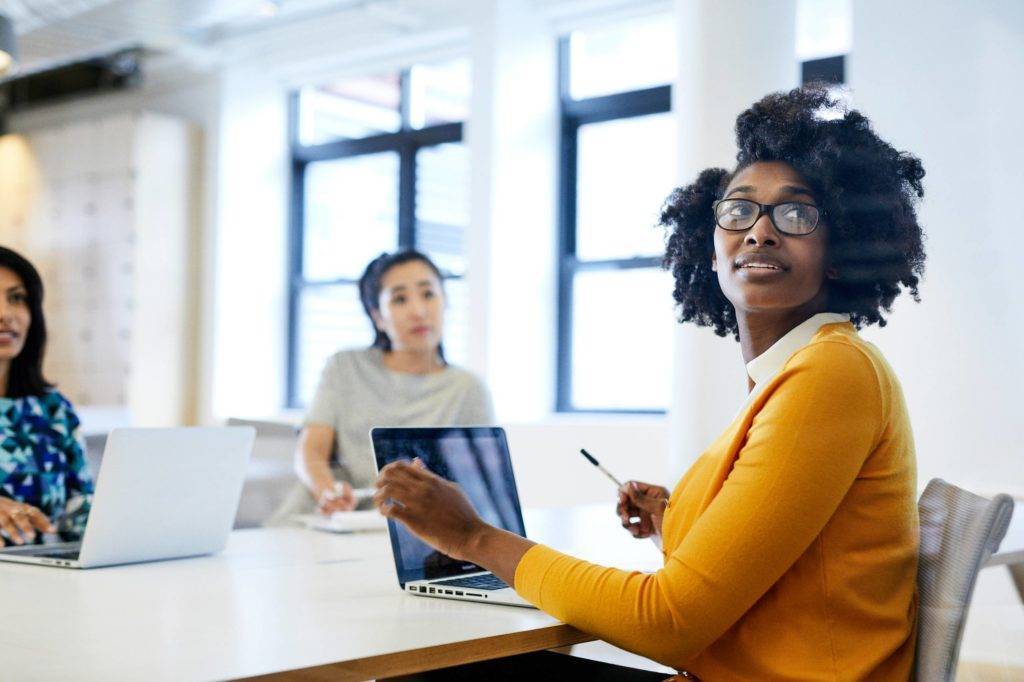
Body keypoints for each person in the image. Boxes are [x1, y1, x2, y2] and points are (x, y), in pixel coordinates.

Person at [373, 85, 926, 680]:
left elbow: (667, 621)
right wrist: (673, 518)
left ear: (840, 247)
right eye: (739, 210)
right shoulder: (793, 372)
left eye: (795, 214)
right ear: (710, 250)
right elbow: (778, 569)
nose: (759, 232)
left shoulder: (831, 373)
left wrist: (474, 537)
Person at [275, 249, 493, 520]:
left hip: (417, 531)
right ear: (378, 316)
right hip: (334, 519)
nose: (419, 311)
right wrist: (329, 493)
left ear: (445, 301)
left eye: (428, 294)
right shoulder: (345, 368)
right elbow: (311, 450)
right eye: (400, 299)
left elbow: (481, 485)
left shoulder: (468, 389)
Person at [0, 246, 94, 548]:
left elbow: (81, 512)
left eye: (17, 298)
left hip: (52, 583)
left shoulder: (53, 409)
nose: (5, 314)